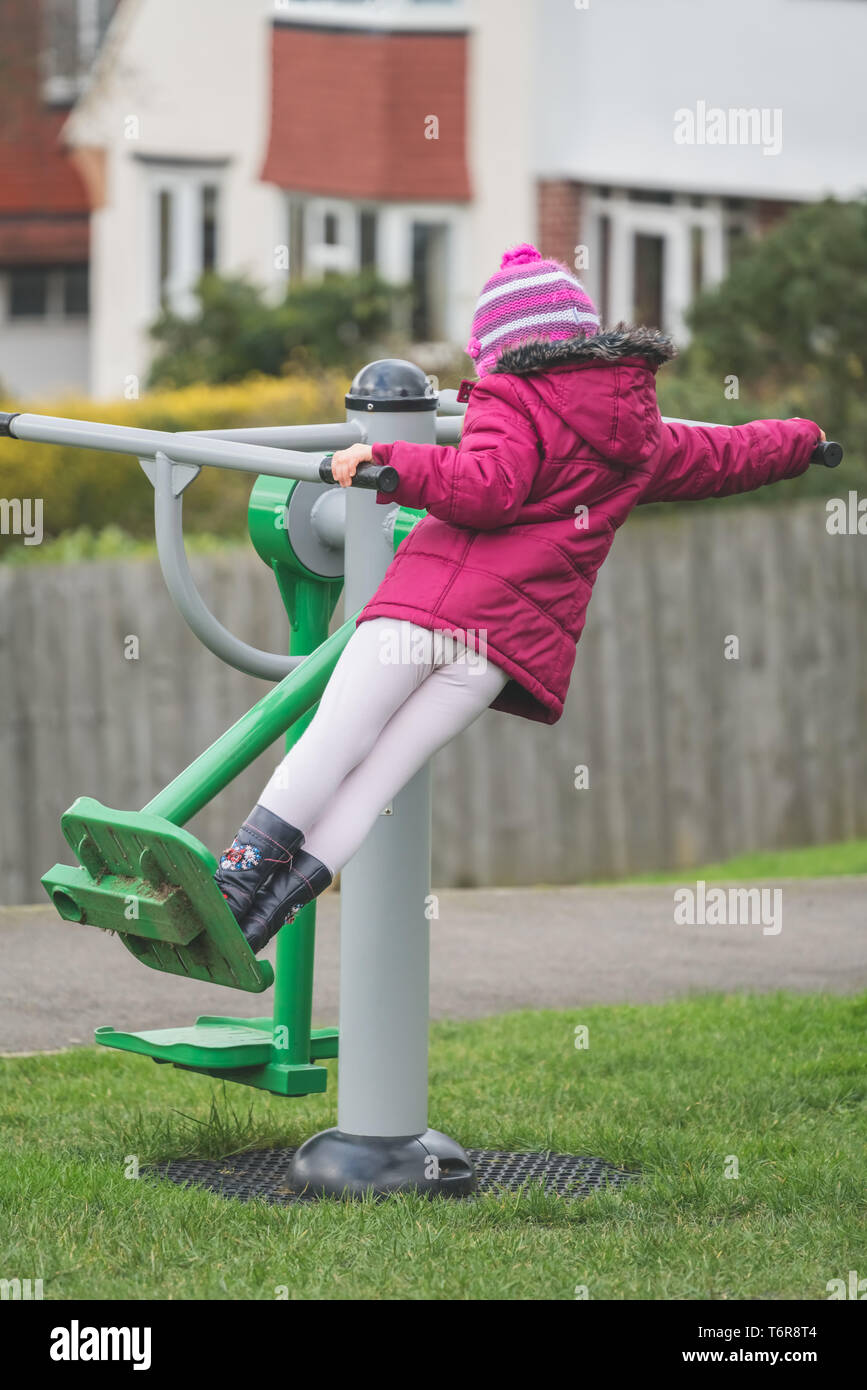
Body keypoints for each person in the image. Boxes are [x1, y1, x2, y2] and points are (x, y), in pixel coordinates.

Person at [214, 243, 824, 953]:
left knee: (331, 744)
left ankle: (230, 893)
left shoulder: (510, 396)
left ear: (501, 351)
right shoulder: (640, 433)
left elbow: (486, 489)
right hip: (498, 651)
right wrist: (803, 440)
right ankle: (261, 921)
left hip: (427, 611)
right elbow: (728, 455)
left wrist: (388, 460)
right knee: (376, 777)